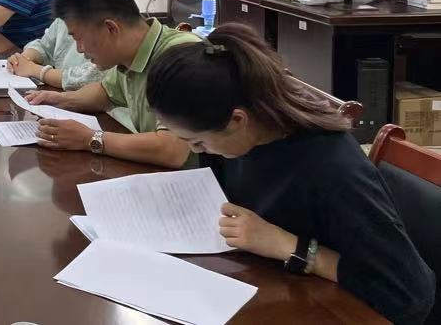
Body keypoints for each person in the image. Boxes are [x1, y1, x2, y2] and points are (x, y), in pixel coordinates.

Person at [146, 24, 436, 325]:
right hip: (276, 287)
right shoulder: (242, 135)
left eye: (198, 142)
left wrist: (289, 246)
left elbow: (408, 295)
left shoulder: (331, 169)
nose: (197, 150)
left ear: (237, 120)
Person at [24, 0, 195, 169]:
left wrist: (90, 139)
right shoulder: (130, 55)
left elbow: (172, 150)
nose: (79, 49)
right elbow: (105, 92)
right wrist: (59, 99)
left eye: (79, 38)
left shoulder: (179, 57)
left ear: (110, 28)